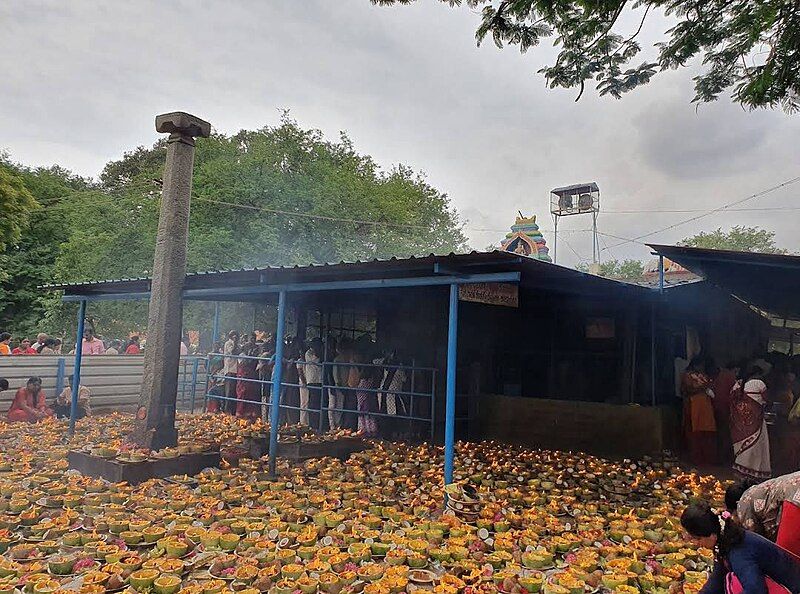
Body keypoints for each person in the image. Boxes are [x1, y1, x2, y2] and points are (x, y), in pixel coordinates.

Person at [680, 502, 800, 593]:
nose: (695, 543)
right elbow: (718, 577)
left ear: (712, 535)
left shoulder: (739, 553)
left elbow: (756, 591)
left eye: (696, 538)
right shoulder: (724, 539)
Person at [726, 472, 800, 542]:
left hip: (794, 499)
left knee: (786, 552)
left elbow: (757, 541)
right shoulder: (760, 492)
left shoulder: (743, 503)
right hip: (795, 489)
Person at [731, 366, 772, 480]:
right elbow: (767, 400)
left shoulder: (738, 384)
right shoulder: (759, 383)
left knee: (744, 443)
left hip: (741, 420)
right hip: (756, 420)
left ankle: (741, 468)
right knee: (758, 446)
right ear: (757, 374)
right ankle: (755, 471)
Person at [681, 355, 718, 465]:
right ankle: (697, 460)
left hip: (706, 407)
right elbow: (686, 390)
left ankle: (707, 459)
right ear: (695, 364)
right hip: (693, 406)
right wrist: (702, 388)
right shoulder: (688, 375)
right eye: (701, 364)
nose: (702, 367)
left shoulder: (704, 375)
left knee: (707, 433)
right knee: (695, 434)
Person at [713, 360, 739, 465]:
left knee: (720, 434)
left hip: (717, 407)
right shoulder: (730, 377)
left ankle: (719, 458)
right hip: (725, 409)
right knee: (725, 435)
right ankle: (724, 460)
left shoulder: (720, 376)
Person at [300, 339, 324, 430]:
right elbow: (317, 361)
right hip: (312, 380)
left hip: (319, 380)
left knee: (318, 403)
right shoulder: (308, 353)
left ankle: (317, 424)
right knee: (313, 403)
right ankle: (313, 425)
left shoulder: (317, 352)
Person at [235, 336, 260, 420]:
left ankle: (249, 412)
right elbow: (244, 363)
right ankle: (240, 412)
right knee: (242, 394)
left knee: (251, 394)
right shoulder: (241, 355)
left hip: (250, 376)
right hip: (243, 376)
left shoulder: (253, 353)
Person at [223, 331, 239, 414]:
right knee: (229, 391)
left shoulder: (236, 344)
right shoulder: (228, 343)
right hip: (230, 369)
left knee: (234, 392)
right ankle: (227, 411)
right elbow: (232, 352)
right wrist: (235, 343)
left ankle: (232, 410)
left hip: (235, 370)